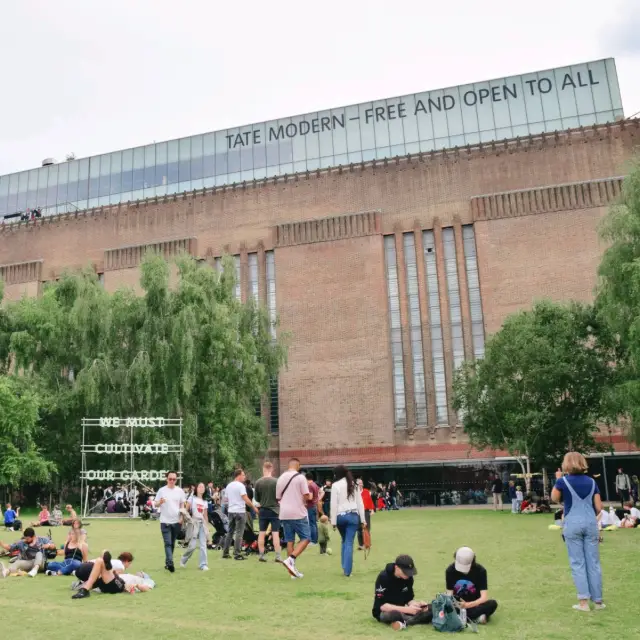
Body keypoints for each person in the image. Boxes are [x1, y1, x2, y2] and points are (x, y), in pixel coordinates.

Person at [551, 452, 605, 611]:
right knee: (593, 563)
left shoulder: (562, 481)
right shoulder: (591, 481)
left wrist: (557, 480)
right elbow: (599, 507)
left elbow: (554, 498)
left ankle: (583, 602)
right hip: (590, 523)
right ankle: (598, 602)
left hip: (573, 523)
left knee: (577, 563)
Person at [372, 554, 432, 630]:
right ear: (396, 567)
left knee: (431, 607)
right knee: (395, 614)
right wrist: (407, 610)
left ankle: (405, 622)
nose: (408, 575)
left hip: (403, 610)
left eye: (410, 572)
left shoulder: (408, 578)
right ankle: (415, 620)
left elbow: (409, 599)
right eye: (405, 572)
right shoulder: (383, 577)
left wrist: (418, 605)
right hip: (385, 612)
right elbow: (382, 606)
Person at [276, 458, 311, 579]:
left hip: (284, 513)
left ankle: (292, 572)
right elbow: (306, 495)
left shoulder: (281, 478)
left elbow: (278, 496)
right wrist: (307, 498)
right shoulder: (301, 477)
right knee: (306, 538)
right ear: (298, 466)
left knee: (290, 540)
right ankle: (291, 559)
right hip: (298, 512)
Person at [445, 547, 498, 624]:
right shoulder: (450, 570)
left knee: (492, 604)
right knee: (439, 606)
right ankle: (475, 617)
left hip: (475, 604)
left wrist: (467, 605)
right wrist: (453, 603)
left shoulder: (481, 571)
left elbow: (484, 597)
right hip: (458, 605)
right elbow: (449, 594)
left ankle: (461, 617)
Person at [330, 465, 366, 577]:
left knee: (344, 541)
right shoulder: (353, 484)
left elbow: (333, 504)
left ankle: (344, 566)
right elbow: (360, 503)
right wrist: (363, 519)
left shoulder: (335, 485)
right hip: (353, 515)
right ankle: (347, 570)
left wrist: (333, 521)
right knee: (349, 542)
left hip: (340, 516)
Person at [154, 470, 186, 573]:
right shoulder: (162, 490)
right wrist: (160, 502)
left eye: (174, 479)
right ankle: (171, 562)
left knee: (172, 543)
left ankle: (168, 562)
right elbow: (155, 504)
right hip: (165, 521)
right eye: (170, 479)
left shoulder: (180, 491)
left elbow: (182, 505)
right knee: (167, 543)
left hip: (176, 521)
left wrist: (182, 517)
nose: (172, 481)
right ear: (166, 479)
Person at [222, 469, 257, 560]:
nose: (244, 477)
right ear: (238, 475)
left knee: (230, 532)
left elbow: (225, 499)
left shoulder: (229, 485)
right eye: (243, 475)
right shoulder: (241, 486)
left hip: (231, 511)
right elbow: (245, 498)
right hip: (240, 511)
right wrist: (254, 507)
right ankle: (237, 553)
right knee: (239, 533)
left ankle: (225, 552)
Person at [254, 461, 282, 563]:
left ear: (263, 469)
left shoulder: (258, 482)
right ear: (272, 469)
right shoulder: (277, 481)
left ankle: (261, 554)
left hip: (263, 510)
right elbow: (280, 496)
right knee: (275, 533)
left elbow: (257, 498)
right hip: (275, 510)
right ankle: (278, 556)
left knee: (261, 533)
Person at [180, 482, 210, 571]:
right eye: (200, 487)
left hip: (202, 524)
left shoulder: (205, 502)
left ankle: (203, 564)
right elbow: (186, 510)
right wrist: (184, 519)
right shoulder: (192, 498)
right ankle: (183, 559)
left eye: (203, 487)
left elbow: (205, 515)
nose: (201, 488)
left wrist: (207, 527)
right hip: (193, 524)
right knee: (192, 546)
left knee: (203, 545)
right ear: (196, 488)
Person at [357, 478, 374, 550]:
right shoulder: (355, 493)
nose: (360, 484)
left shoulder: (366, 491)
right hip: (357, 512)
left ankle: (367, 544)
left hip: (366, 511)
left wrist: (372, 510)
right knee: (359, 528)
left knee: (366, 527)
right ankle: (361, 544)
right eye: (359, 483)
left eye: (361, 483)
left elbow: (370, 501)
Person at [305, 471, 320, 546]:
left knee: (311, 524)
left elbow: (310, 497)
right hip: (314, 505)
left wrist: (304, 498)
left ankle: (313, 541)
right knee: (314, 523)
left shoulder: (310, 486)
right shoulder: (315, 484)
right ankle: (315, 539)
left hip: (310, 506)